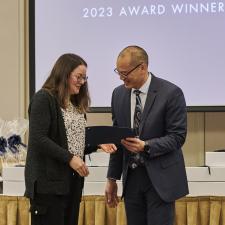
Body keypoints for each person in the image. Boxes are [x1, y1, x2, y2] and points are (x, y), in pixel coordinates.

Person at [25, 53, 117, 225]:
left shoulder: (75, 104)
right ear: (64, 74)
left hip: (72, 184)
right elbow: (38, 139)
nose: (83, 82)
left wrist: (97, 144)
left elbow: (73, 142)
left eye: (85, 78)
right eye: (78, 77)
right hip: (48, 186)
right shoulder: (43, 98)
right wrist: (70, 159)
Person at [105, 46, 189, 225]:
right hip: (132, 180)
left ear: (142, 67)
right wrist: (112, 178)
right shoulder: (118, 94)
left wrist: (146, 146)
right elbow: (117, 139)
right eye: (118, 72)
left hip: (160, 181)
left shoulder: (171, 93)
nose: (121, 78)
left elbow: (177, 136)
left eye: (125, 72)